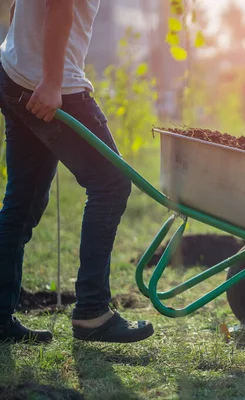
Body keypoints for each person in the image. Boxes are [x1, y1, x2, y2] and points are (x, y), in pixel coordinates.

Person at [0, 1, 154, 343]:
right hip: (50, 85)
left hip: (15, 75)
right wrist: (52, 82)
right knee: (111, 184)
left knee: (21, 201)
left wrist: (19, 53)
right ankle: (92, 312)